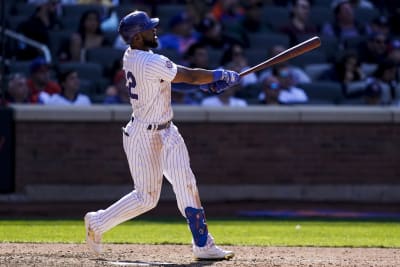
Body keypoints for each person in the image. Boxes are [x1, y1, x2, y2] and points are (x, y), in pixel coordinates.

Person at [84, 10, 240, 260]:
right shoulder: (148, 61)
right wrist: (219, 75)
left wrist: (205, 83)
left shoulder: (134, 56)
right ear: (136, 37)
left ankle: (203, 244)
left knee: (186, 183)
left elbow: (169, 80)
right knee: (146, 199)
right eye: (148, 28)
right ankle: (97, 222)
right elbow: (187, 75)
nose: (154, 30)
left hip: (168, 131)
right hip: (143, 137)